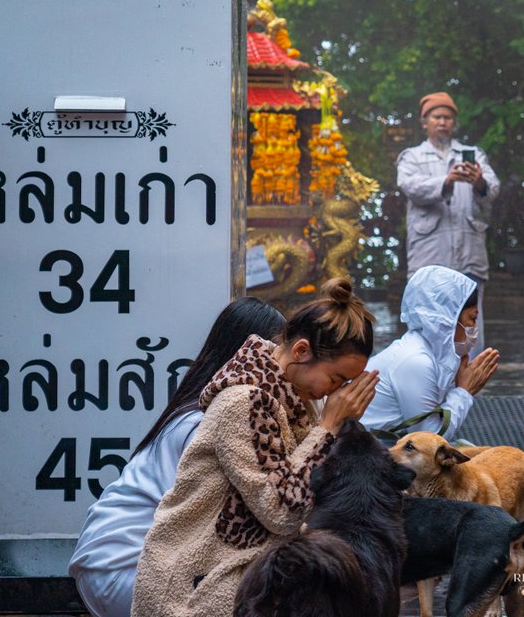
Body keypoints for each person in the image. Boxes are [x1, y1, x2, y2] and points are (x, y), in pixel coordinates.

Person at [131, 278, 379, 617]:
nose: (335, 392)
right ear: (301, 351)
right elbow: (281, 510)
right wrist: (329, 428)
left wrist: (338, 427)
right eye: (335, 379)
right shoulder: (244, 401)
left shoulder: (299, 402)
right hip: (193, 588)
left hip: (241, 582)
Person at [69, 297, 286, 617]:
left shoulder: (203, 412)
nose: (282, 370)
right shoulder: (211, 421)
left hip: (115, 563)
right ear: (246, 354)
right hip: (124, 568)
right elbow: (267, 508)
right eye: (275, 354)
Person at [397, 91, 500, 344]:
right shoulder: (412, 157)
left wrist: (479, 182)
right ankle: (428, 368)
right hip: (429, 253)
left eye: (448, 117)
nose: (442, 122)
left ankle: (470, 370)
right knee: (428, 321)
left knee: (470, 323)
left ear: (454, 123)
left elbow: (493, 188)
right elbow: (409, 185)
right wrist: (446, 181)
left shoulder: (472, 154)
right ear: (424, 123)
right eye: (436, 117)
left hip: (469, 255)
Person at [362, 264, 500, 441]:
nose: (474, 326)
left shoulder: (433, 354)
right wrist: (464, 391)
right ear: (448, 319)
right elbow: (429, 438)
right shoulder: (416, 360)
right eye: (472, 318)